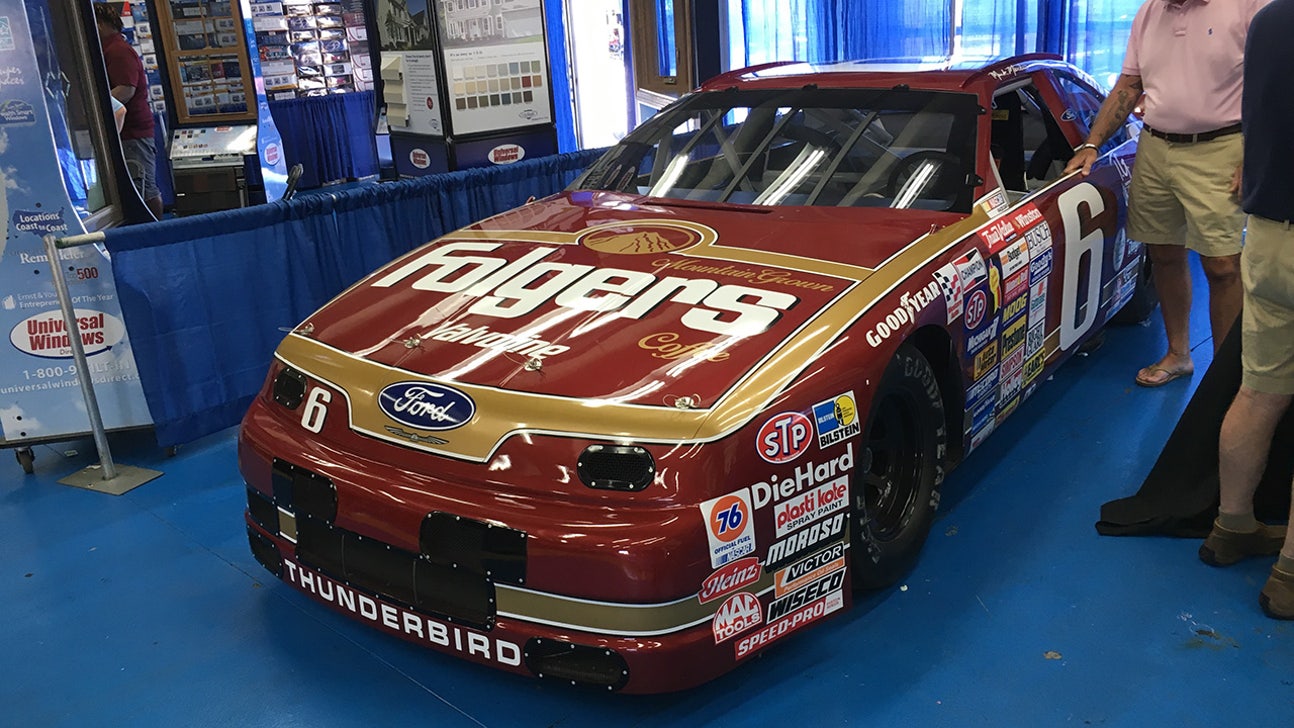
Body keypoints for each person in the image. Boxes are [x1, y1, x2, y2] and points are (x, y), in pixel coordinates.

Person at [1064, 0, 1269, 387]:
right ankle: (1178, 355)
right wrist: (1091, 144)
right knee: (1163, 254)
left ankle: (1224, 380)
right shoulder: (1149, 13)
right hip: (1155, 147)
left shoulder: (1249, 6)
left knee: (1223, 266)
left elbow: (1274, 83)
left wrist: (1256, 152)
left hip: (1223, 147)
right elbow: (1129, 85)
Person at [1198, 0, 1294, 620]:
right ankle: (1289, 574)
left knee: (1259, 392)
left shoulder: (1269, 19)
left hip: (1268, 233)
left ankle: (1231, 526)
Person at [93, 2, 161, 219]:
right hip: (126, 130)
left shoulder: (118, 51)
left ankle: (157, 230)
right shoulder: (109, 49)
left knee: (143, 186)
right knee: (136, 185)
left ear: (100, 24)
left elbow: (126, 89)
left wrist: (94, 107)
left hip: (133, 131)